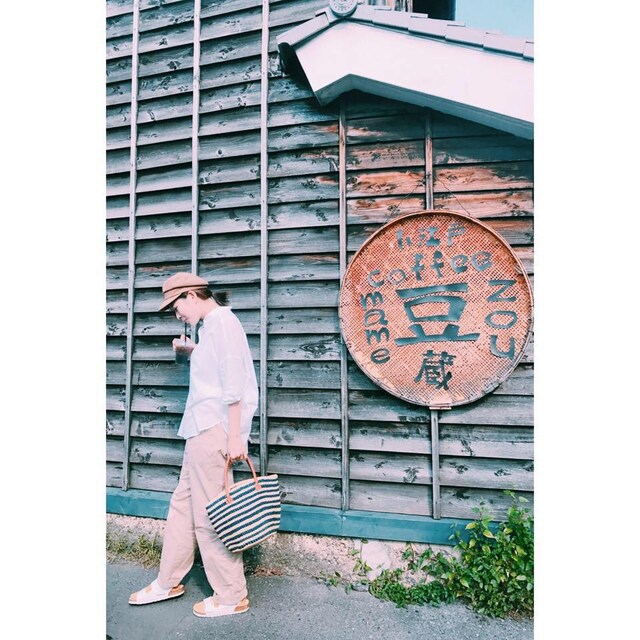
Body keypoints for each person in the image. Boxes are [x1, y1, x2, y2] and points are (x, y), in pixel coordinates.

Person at [128, 272, 259, 618]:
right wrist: (191, 353)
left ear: (190, 294)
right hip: (200, 429)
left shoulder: (223, 323)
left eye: (176, 307)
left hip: (214, 429)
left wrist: (235, 436)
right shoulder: (211, 327)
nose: (177, 315)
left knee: (209, 513)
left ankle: (231, 594)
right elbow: (215, 372)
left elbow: (234, 383)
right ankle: (168, 581)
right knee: (183, 508)